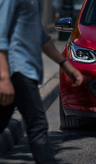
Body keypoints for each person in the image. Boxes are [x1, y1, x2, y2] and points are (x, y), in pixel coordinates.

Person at [0, 0, 83, 163]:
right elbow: (0, 35)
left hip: (25, 70)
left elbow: (41, 36)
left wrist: (65, 65)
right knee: (37, 125)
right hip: (16, 70)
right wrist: (4, 78)